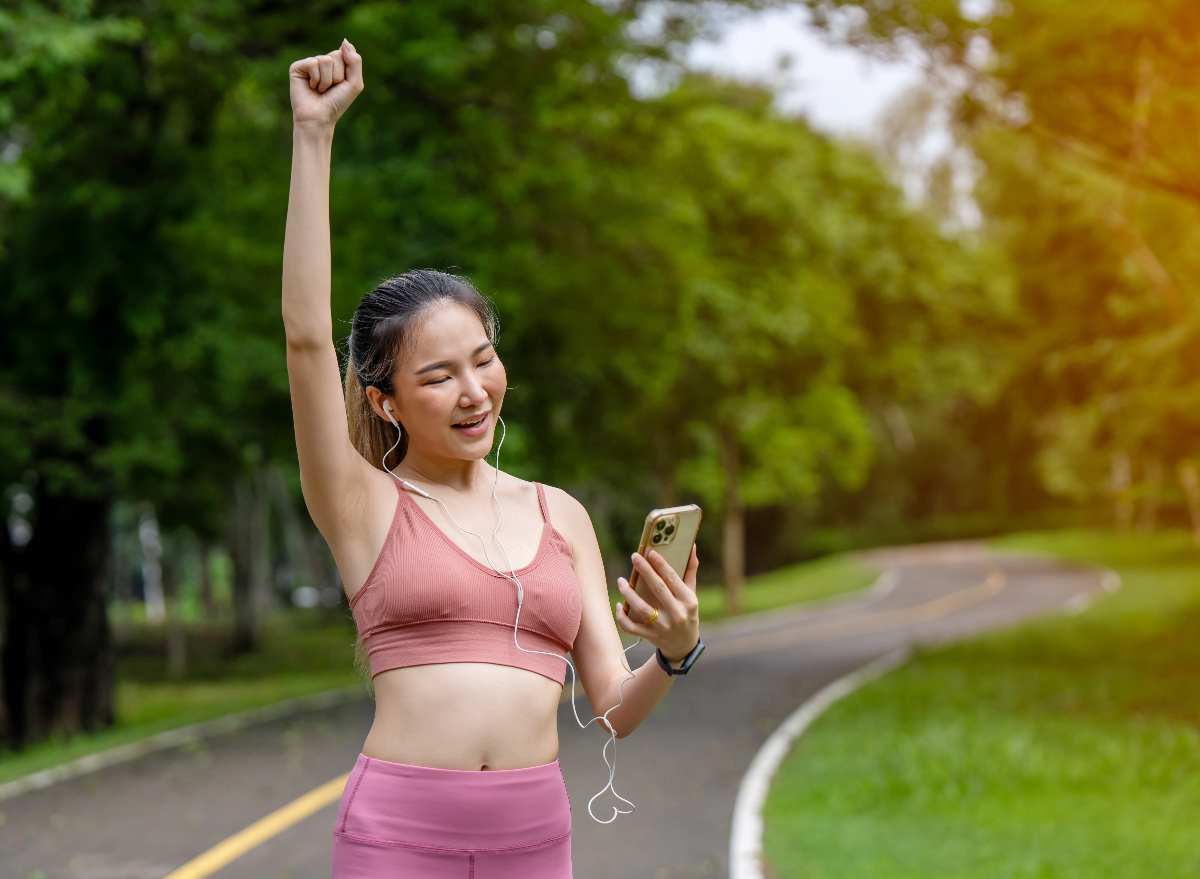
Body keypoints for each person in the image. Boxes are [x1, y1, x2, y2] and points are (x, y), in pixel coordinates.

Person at [283, 41, 704, 878]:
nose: (473, 390)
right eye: (437, 375)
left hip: (533, 836)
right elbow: (303, 337)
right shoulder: (362, 503)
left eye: (483, 359)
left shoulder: (560, 515)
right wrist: (313, 137)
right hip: (397, 834)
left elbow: (612, 709)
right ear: (383, 400)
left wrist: (675, 650)